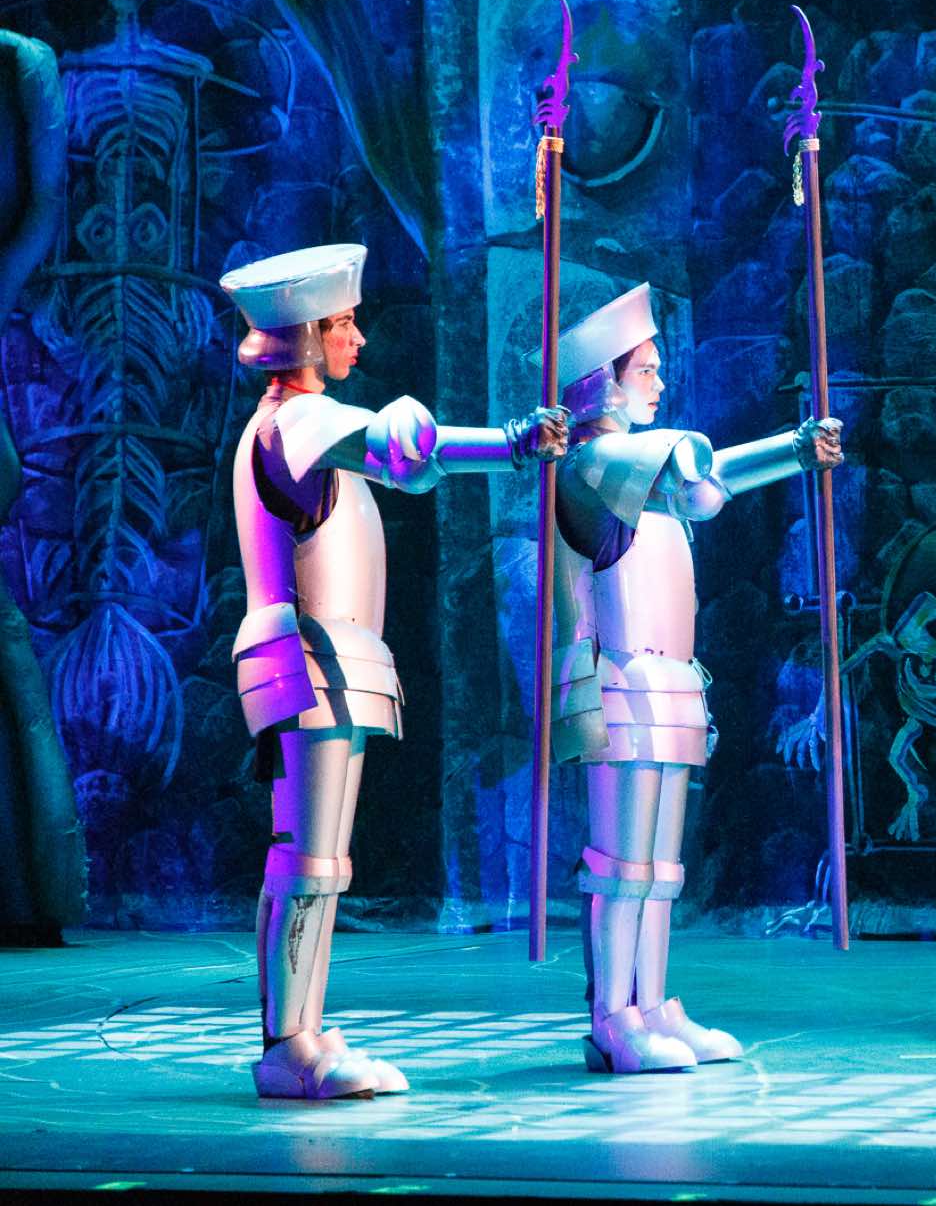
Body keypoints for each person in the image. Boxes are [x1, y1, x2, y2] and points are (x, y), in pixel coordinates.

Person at [226, 243, 565, 1098]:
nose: (359, 339)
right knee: (307, 857)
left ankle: (300, 1030)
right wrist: (512, 441)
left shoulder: (294, 422)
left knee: (319, 858)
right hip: (306, 660)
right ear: (307, 335)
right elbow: (402, 449)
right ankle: (288, 1042)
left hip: (327, 659)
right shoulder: (296, 422)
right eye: (343, 323)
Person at [544, 283, 841, 1073]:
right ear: (603, 382)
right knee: (621, 863)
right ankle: (614, 1013)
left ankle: (649, 1001)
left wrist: (793, 450)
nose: (660, 381)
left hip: (668, 682)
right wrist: (784, 449)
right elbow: (691, 471)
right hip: (616, 682)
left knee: (660, 866)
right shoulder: (594, 464)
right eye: (645, 369)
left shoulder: (640, 477)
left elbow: (703, 487)